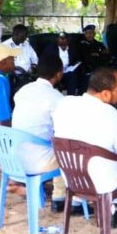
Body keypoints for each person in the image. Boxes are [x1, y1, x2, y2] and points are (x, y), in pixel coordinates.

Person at [52, 67, 117, 234]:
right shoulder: (114, 116)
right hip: (104, 182)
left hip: (73, 179)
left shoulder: (64, 104)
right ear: (105, 94)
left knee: (108, 162)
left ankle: (114, 209)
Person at [13, 55, 86, 214]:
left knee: (57, 147)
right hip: (38, 161)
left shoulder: (22, 91)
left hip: (14, 158)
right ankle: (76, 202)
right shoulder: (56, 98)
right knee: (74, 149)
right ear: (59, 74)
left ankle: (58, 198)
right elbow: (66, 130)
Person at [2, 24, 38, 98]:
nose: (26, 37)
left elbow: (35, 58)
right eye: (24, 35)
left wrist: (33, 66)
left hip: (29, 75)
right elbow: (3, 65)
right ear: (15, 34)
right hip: (14, 76)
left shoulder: (26, 44)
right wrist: (17, 69)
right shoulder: (5, 46)